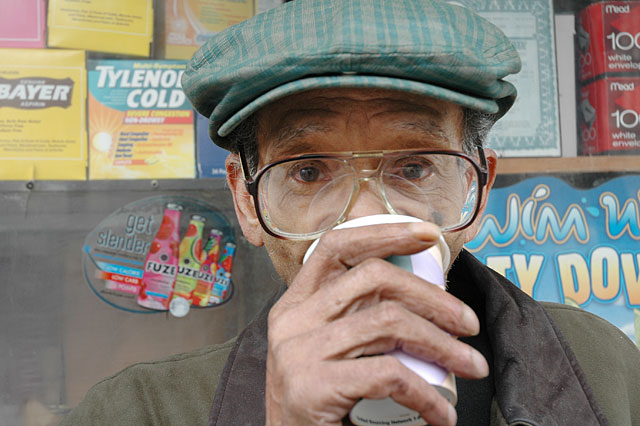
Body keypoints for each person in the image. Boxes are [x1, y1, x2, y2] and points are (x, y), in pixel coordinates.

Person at [60, 0, 640, 425]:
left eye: (413, 168)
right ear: (246, 200)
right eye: (309, 171)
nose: (365, 219)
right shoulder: (136, 412)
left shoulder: (601, 368)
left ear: (478, 186)